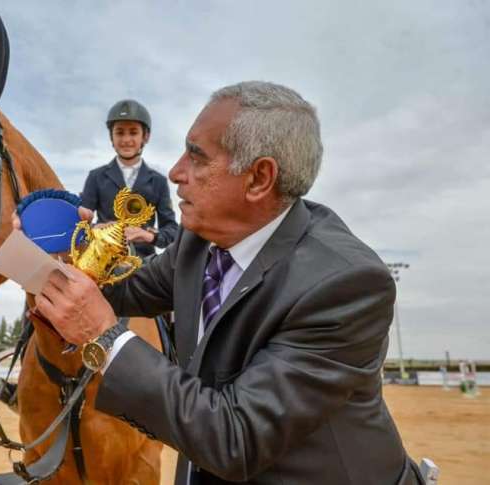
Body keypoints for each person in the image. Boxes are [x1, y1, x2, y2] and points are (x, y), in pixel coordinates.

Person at [34, 81, 422, 484]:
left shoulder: (346, 284)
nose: (175, 172)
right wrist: (55, 254)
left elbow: (236, 439)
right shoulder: (199, 238)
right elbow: (124, 290)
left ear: (258, 179)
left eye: (197, 158)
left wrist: (105, 338)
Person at [80, 99, 178, 258]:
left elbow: (172, 231)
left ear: (145, 136)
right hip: (103, 260)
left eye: (133, 132)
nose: (126, 140)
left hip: (145, 265)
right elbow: (80, 226)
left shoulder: (158, 181)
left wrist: (150, 236)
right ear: (111, 136)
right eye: (119, 132)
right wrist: (96, 228)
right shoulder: (95, 177)